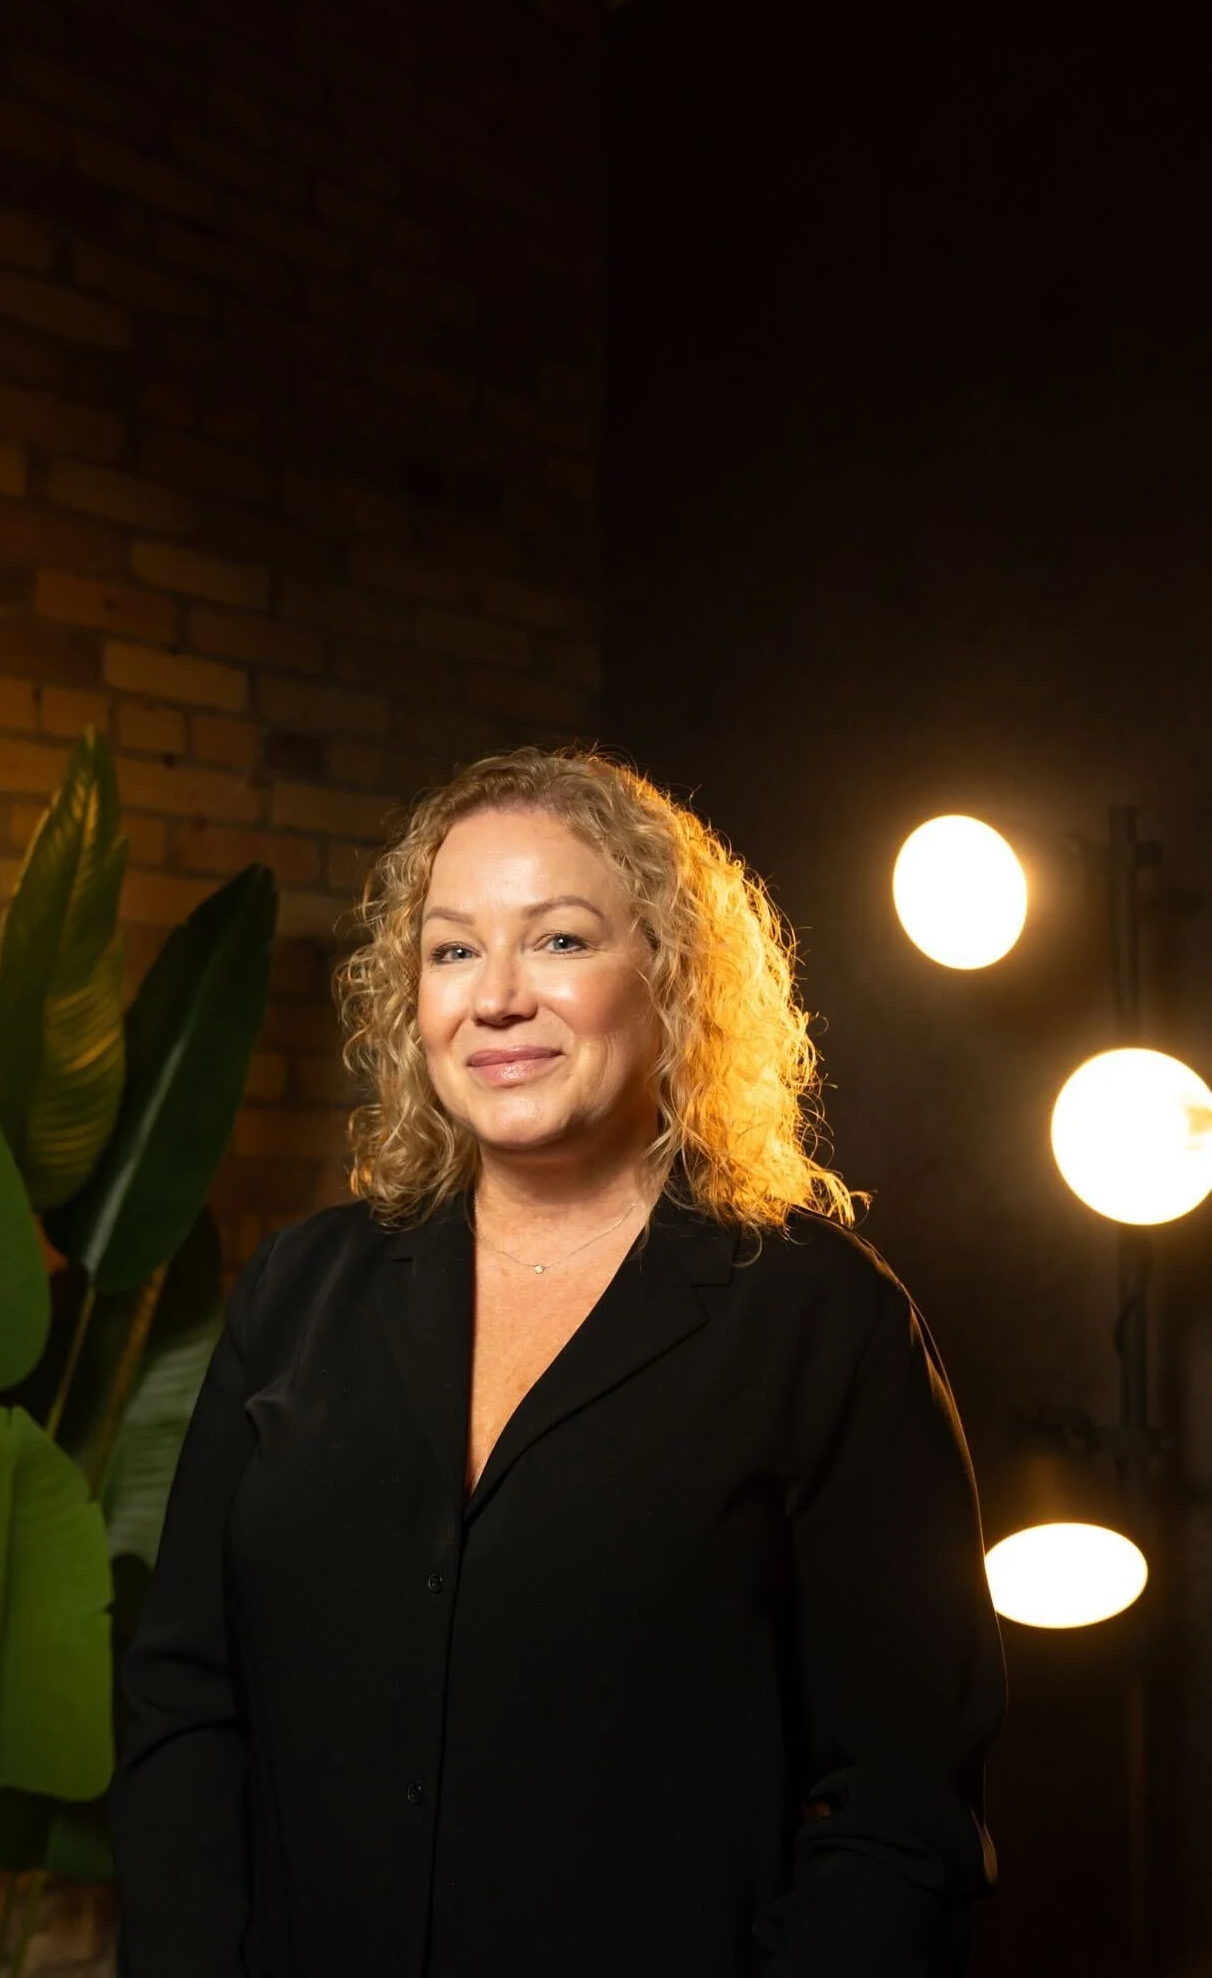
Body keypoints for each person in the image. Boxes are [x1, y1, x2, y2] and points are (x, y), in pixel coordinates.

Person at [109, 742, 1007, 1978]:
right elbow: (184, 1701)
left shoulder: (820, 1320)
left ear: (672, 976)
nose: (496, 996)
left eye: (562, 940)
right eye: (453, 948)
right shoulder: (299, 1290)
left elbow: (902, 1812)